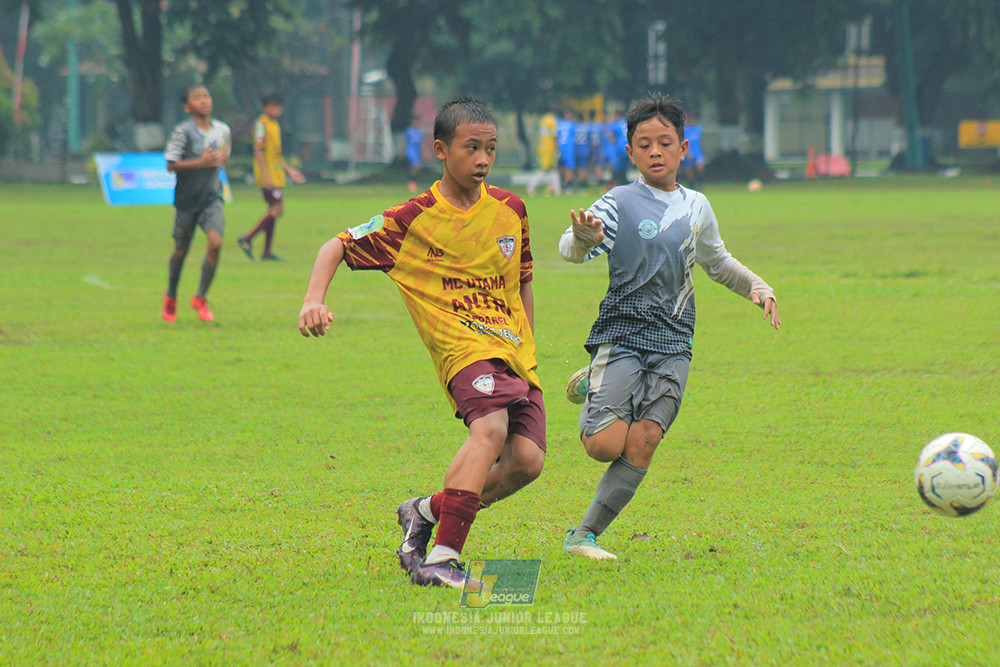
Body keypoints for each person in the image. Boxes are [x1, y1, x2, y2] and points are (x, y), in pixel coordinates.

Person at [298, 99, 545, 589]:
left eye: (490, 149)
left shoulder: (511, 210)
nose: (482, 159)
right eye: (471, 147)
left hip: (513, 351)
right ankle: (441, 559)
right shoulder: (411, 219)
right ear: (440, 149)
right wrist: (313, 299)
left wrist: (529, 348)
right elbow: (337, 245)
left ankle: (423, 511)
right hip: (461, 350)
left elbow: (522, 282)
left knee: (527, 463)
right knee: (490, 429)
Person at [558, 94, 780, 560]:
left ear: (683, 148)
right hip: (622, 334)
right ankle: (593, 386)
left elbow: (717, 262)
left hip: (675, 340)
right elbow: (570, 249)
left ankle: (584, 536)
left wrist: (758, 287)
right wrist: (581, 238)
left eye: (665, 142)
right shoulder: (619, 202)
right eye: (644, 144)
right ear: (631, 153)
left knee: (646, 440)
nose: (655, 151)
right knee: (603, 445)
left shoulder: (697, 206)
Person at [162, 84, 232, 323]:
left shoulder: (223, 130)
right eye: (197, 97)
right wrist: (200, 162)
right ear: (187, 106)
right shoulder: (183, 132)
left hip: (212, 198)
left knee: (216, 244)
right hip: (186, 201)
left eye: (206, 96)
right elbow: (171, 165)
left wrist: (222, 159)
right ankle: (171, 295)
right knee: (181, 251)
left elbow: (225, 156)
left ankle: (200, 297)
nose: (204, 101)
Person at [237, 91, 305, 262]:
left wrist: (290, 170)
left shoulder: (275, 125)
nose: (277, 110)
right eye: (273, 107)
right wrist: (265, 176)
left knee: (273, 211)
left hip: (277, 175)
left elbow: (276, 154)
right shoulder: (262, 124)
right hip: (269, 177)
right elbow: (259, 151)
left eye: (279, 107)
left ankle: (266, 252)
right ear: (265, 107)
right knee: (277, 209)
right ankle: (247, 238)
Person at [526, 106, 561, 197]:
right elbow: (554, 136)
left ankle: (557, 190)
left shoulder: (543, 120)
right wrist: (557, 149)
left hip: (543, 147)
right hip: (550, 149)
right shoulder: (552, 121)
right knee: (544, 169)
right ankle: (531, 187)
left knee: (553, 169)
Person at [679, 113, 705, 189]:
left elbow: (699, 141)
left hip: (697, 152)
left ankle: (700, 183)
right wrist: (688, 152)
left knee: (700, 167)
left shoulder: (698, 129)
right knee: (689, 169)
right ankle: (691, 185)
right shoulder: (686, 130)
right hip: (689, 152)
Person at [405, 115, 424, 192]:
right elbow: (405, 142)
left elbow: (421, 143)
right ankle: (411, 183)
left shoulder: (420, 132)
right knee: (414, 166)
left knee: (417, 167)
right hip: (410, 151)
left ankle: (412, 182)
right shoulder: (409, 131)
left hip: (417, 151)